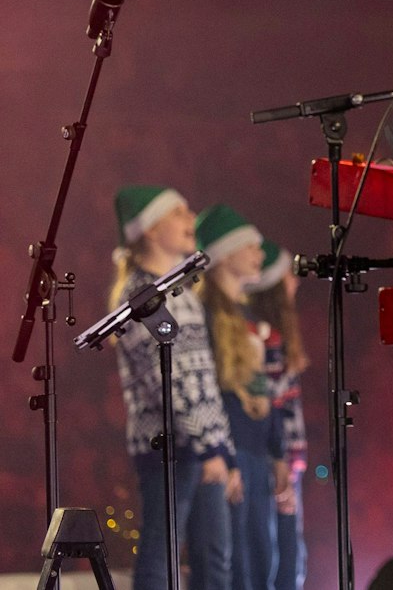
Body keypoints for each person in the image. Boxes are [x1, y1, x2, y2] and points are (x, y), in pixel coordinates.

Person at [109, 185, 235, 590]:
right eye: (178, 212)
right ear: (149, 230)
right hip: (170, 448)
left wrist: (221, 449)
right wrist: (208, 446)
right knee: (162, 556)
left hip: (203, 448)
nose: (190, 218)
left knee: (214, 558)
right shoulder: (140, 298)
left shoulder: (184, 294)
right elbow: (171, 381)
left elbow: (203, 381)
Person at [195, 206, 277, 590]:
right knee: (233, 563)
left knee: (262, 561)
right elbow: (212, 392)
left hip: (254, 453)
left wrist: (274, 453)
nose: (260, 255)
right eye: (251, 247)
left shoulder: (242, 313)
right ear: (226, 254)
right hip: (232, 453)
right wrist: (227, 458)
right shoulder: (205, 313)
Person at [243, 240, 309, 590]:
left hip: (285, 464)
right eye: (288, 276)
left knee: (287, 556)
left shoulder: (279, 337)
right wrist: (281, 460)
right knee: (277, 558)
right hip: (274, 465)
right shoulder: (265, 338)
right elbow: (273, 408)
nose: (295, 282)